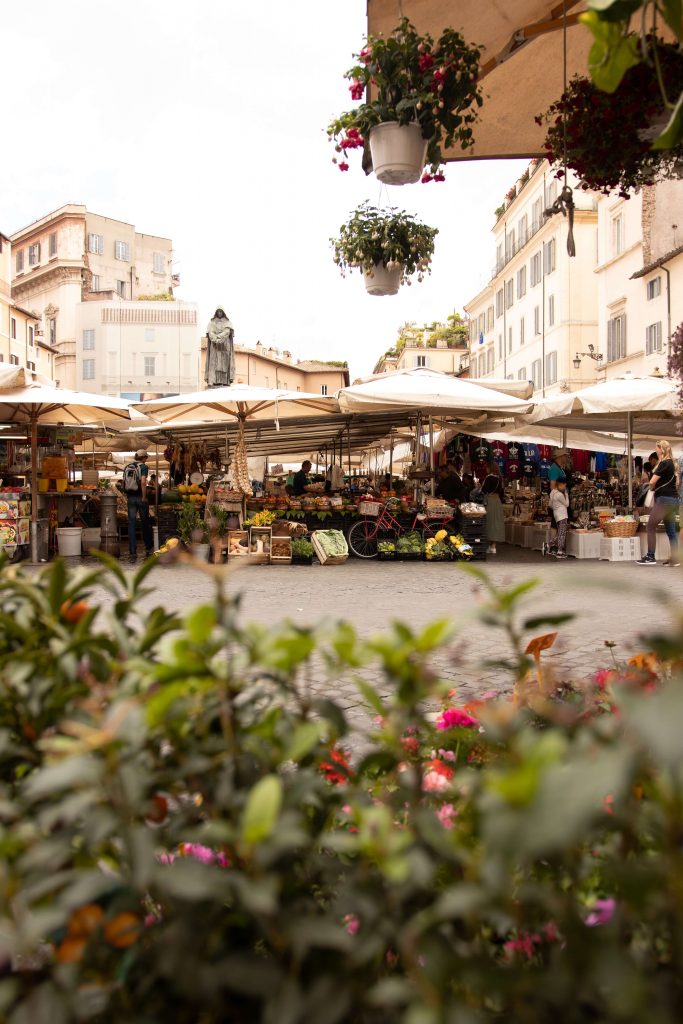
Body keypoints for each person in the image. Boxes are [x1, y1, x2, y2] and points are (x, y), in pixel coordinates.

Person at [637, 440, 680, 566]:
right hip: (672, 500)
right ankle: (676, 558)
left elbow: (652, 481)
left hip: (664, 500)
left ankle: (650, 556)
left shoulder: (664, 463)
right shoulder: (672, 463)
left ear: (661, 449)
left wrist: (651, 486)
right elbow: (676, 484)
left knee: (650, 526)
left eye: (656, 448)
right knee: (671, 531)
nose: (655, 450)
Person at [125, 449, 153, 561]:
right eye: (146, 457)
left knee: (131, 523)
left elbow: (124, 482)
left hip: (130, 498)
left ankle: (132, 551)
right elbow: (143, 482)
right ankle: (148, 547)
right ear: (144, 458)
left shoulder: (127, 467)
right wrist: (144, 496)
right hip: (140, 497)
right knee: (144, 522)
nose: (146, 459)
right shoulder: (143, 467)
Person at [205, 306, 235, 387]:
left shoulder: (228, 322)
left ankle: (224, 380)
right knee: (213, 363)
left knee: (224, 364)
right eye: (218, 311)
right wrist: (215, 339)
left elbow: (227, 331)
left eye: (221, 311)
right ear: (216, 312)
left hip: (225, 345)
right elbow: (210, 332)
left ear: (223, 312)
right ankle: (213, 380)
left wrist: (218, 338)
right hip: (214, 345)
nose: (219, 313)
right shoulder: (212, 322)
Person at [481, 463, 505, 556]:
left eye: (486, 467)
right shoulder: (499, 478)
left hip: (490, 501)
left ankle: (490, 546)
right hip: (497, 501)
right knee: (496, 523)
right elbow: (501, 492)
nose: (486, 469)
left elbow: (483, 490)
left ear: (489, 468)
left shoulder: (489, 478)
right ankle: (493, 546)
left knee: (489, 522)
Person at [549, 480, 570, 559]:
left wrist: (556, 508)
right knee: (562, 533)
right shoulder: (560, 495)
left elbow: (550, 505)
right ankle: (560, 551)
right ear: (560, 485)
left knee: (560, 532)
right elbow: (567, 504)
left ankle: (550, 545)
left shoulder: (553, 493)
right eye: (564, 485)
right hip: (562, 515)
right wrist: (567, 495)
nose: (565, 487)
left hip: (556, 515)